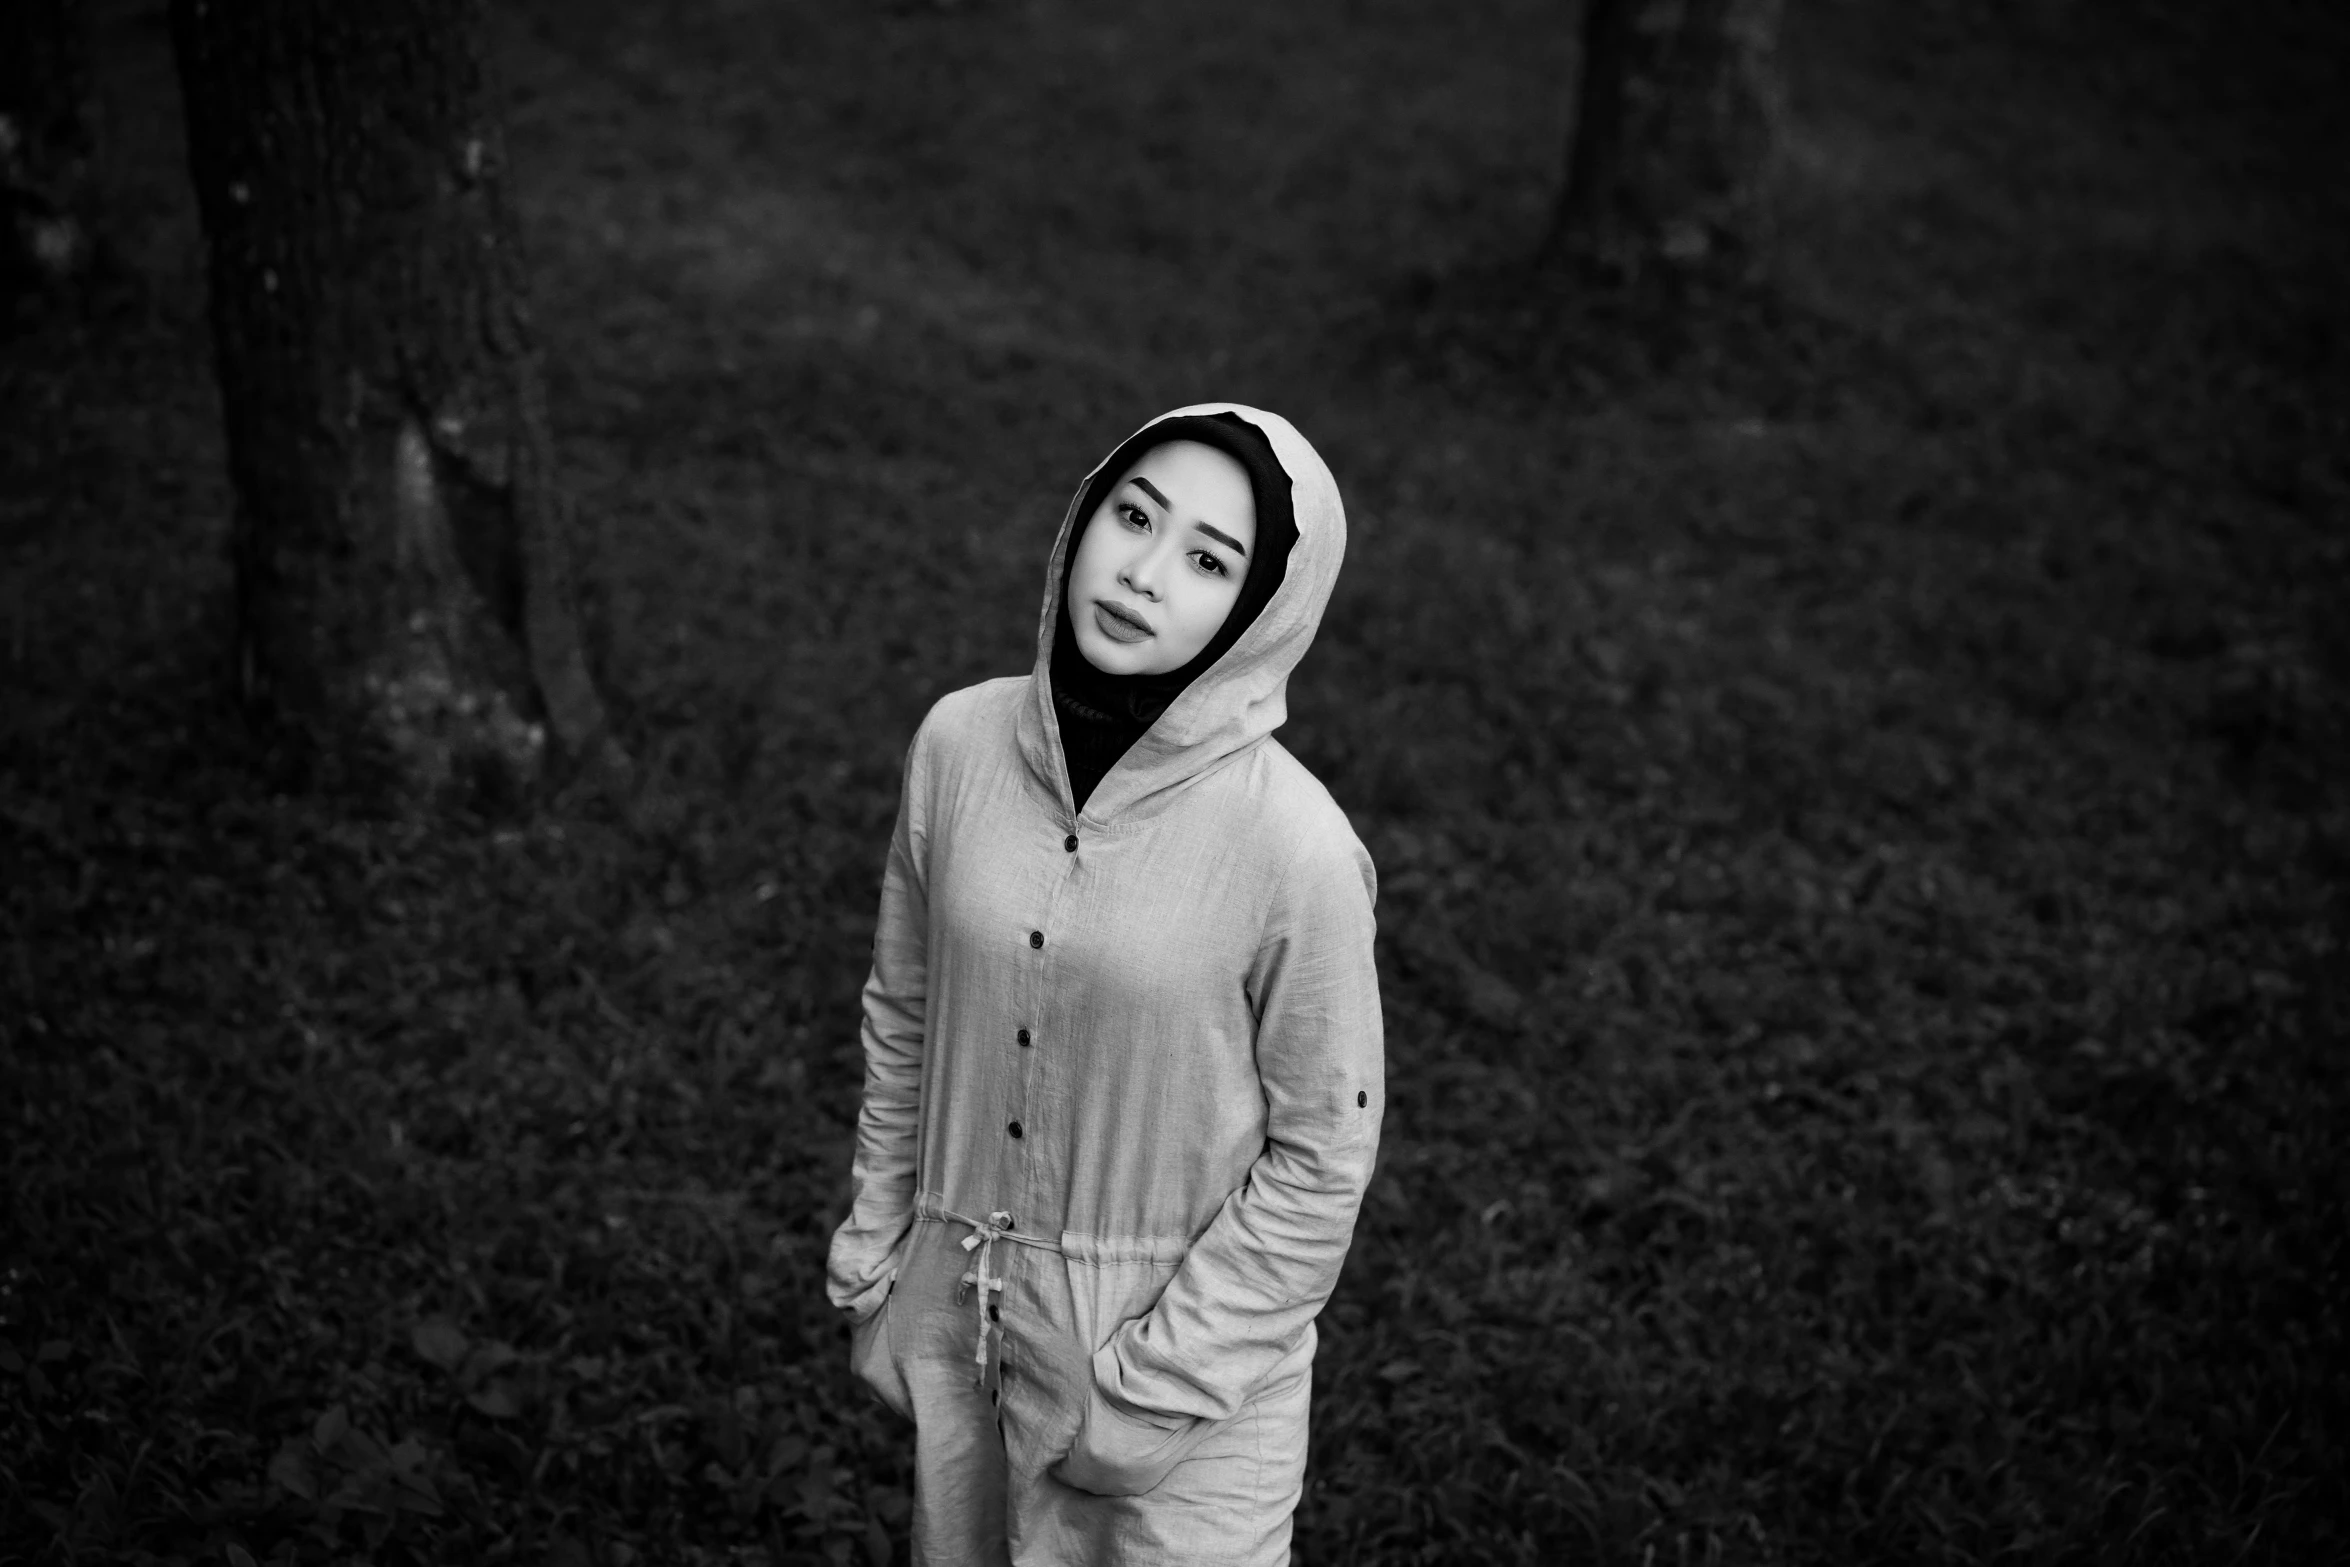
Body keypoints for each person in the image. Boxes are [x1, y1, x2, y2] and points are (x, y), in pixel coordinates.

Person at [825, 403, 1384, 1565]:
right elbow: (904, 1013)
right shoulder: (957, 744)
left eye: (1206, 560)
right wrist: (883, 1258)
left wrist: (1147, 1391)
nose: (1142, 573)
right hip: (963, 1340)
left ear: (1261, 609)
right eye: (1132, 515)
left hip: (1191, 1398)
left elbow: (1324, 1150)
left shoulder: (1297, 848)